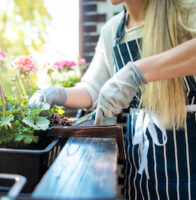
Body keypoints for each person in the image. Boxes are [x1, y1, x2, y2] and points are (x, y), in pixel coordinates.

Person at [29, 0, 196, 199]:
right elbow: (92, 89)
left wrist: (137, 72)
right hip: (142, 177)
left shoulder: (187, 11)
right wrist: (55, 94)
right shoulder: (112, 31)